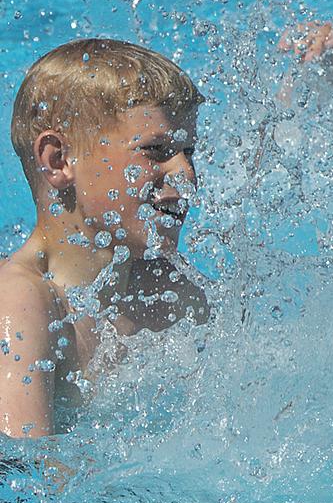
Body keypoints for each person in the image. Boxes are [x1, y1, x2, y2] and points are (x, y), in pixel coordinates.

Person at [0, 39, 208, 439]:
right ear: (59, 160)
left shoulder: (163, 287)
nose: (186, 175)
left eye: (189, 152)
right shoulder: (23, 303)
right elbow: (28, 475)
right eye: (155, 150)